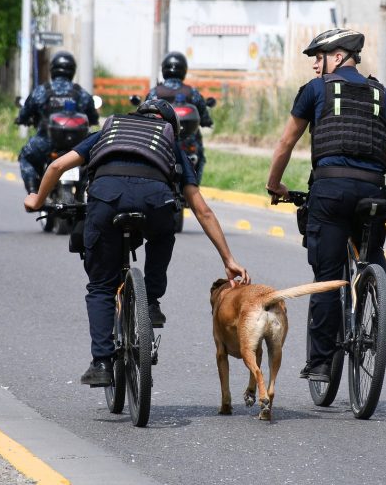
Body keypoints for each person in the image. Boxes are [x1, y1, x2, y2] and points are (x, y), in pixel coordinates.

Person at [23, 98, 250, 387]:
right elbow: (201, 209)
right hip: (155, 202)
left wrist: (37, 200)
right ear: (171, 126)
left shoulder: (109, 130)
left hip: (107, 199)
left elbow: (56, 166)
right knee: (162, 234)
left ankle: (102, 363)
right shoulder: (169, 142)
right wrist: (228, 259)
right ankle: (151, 302)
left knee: (101, 286)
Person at [264, 28, 386, 383]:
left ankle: (321, 363)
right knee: (371, 248)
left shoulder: (315, 91)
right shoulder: (385, 96)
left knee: (329, 278)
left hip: (331, 190)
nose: (315, 67)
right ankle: (383, 300)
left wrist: (275, 184)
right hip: (373, 193)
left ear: (338, 57)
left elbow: (286, 142)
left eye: (318, 58)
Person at [16, 50, 99, 195]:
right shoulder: (81, 93)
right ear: (72, 70)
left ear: (53, 69)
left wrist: (21, 119)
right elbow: (93, 118)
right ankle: (85, 194)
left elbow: (24, 113)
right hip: (77, 147)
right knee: (93, 163)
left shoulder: (42, 91)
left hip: (46, 143)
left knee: (26, 157)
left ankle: (34, 194)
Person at [146, 51, 213, 183]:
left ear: (164, 69)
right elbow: (204, 116)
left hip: (161, 139)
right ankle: (194, 187)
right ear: (184, 70)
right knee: (200, 157)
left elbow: (145, 113)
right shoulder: (192, 92)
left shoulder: (155, 92)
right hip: (188, 142)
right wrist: (207, 122)